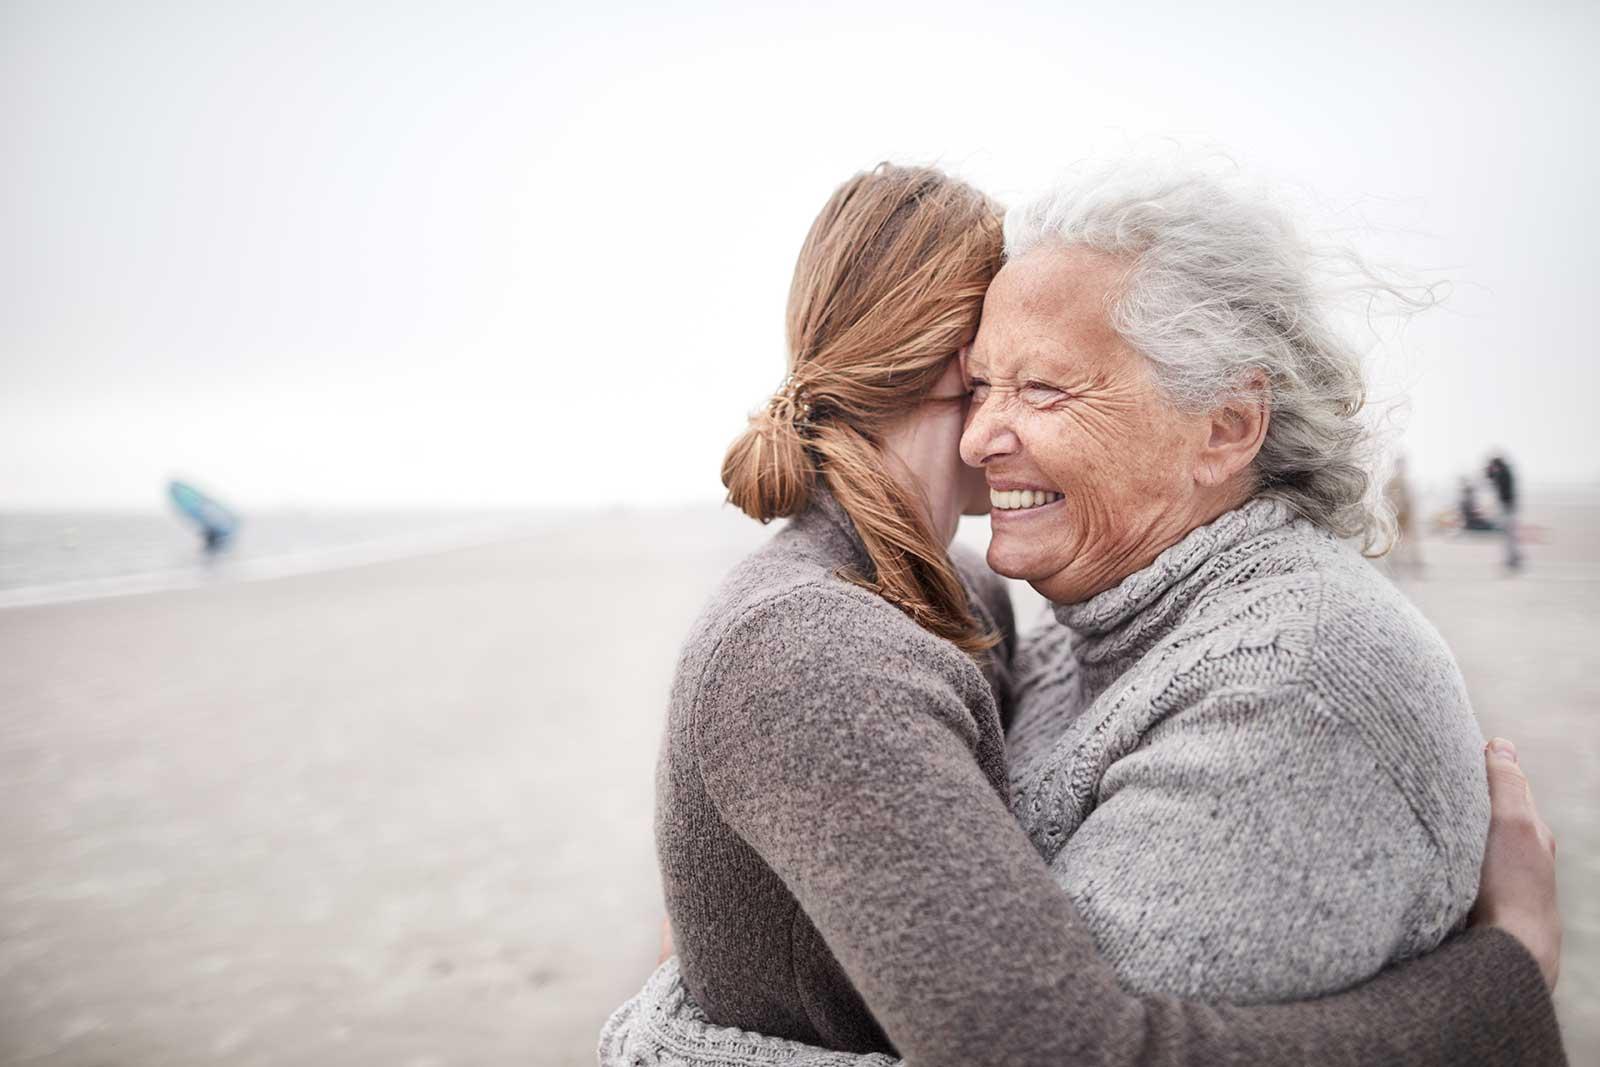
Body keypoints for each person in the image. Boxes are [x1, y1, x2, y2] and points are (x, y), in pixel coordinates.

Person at [600, 164, 1566, 1066]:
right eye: (979, 387)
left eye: (1043, 388)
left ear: (1227, 427)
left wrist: (1503, 981)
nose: (983, 435)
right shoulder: (1064, 625)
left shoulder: (1293, 681)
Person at [1487, 453, 1523, 570]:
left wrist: (1490, 472)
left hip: (1507, 508)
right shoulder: (1506, 472)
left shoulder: (1503, 474)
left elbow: (1492, 480)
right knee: (1510, 536)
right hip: (1509, 507)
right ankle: (1514, 558)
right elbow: (1492, 479)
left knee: (1508, 536)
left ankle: (1512, 559)